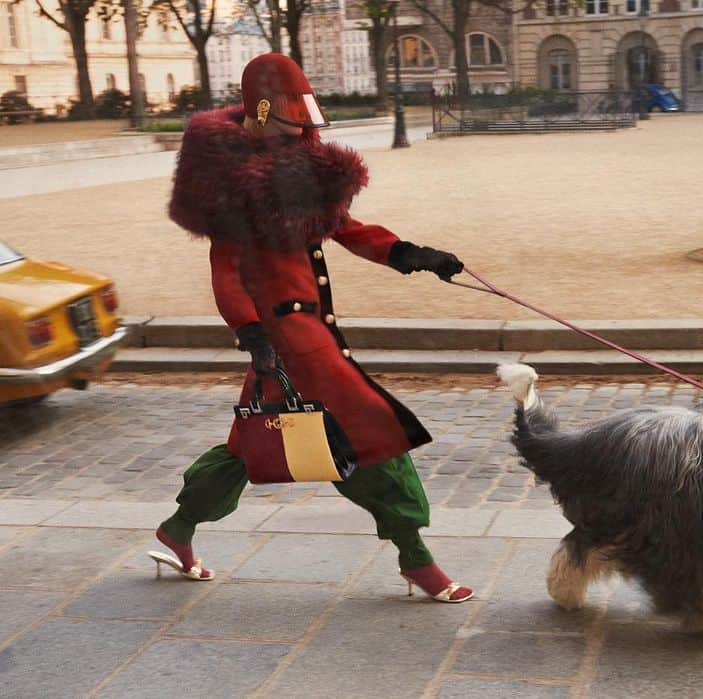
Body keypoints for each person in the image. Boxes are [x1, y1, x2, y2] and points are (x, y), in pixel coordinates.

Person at [148, 53, 472, 603]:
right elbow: (226, 272)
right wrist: (250, 333)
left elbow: (349, 229)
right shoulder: (234, 186)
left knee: (250, 444)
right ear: (266, 109)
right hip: (286, 338)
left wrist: (410, 254)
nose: (305, 129)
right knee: (369, 430)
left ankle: (177, 529)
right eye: (294, 116)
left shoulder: (297, 166)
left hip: (307, 333)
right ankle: (416, 559)